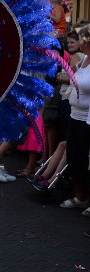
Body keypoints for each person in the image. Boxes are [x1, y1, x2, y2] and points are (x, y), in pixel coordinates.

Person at [58, 25, 90, 210]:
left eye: (80, 38)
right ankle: (81, 196)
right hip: (75, 116)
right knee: (75, 157)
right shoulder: (82, 61)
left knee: (85, 160)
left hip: (87, 119)